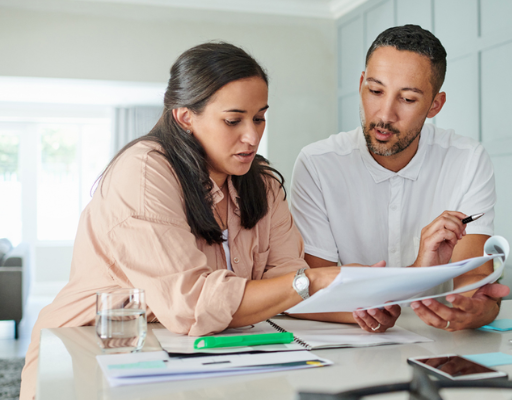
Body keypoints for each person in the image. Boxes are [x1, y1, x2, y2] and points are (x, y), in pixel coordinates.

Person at [19, 42, 345, 400]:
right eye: (233, 120)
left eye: (259, 117)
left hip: (199, 355)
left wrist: (362, 308)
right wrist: (309, 280)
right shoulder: (144, 172)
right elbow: (191, 303)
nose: (252, 136)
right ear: (185, 116)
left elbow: (285, 284)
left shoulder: (262, 184)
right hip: (93, 353)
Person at [290, 25, 510, 334]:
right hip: (344, 338)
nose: (384, 114)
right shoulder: (316, 165)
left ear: (435, 104)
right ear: (361, 84)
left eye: (407, 99)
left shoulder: (467, 159)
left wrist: (476, 309)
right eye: (375, 91)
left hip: (434, 340)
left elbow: (471, 278)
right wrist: (414, 273)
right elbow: (318, 288)